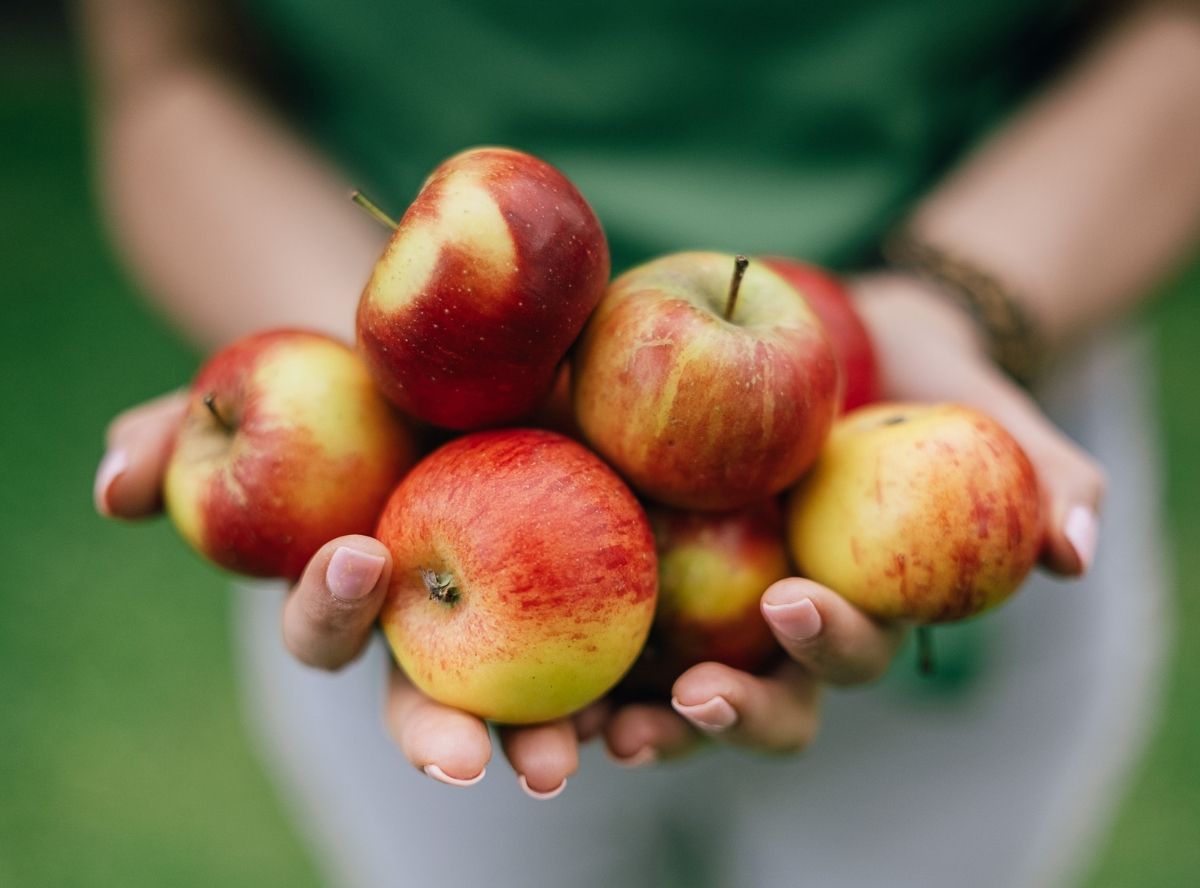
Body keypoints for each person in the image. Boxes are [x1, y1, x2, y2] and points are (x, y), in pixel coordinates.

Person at [83, 0, 1200, 885]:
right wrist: (359, 371)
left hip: (934, 404)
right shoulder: (389, 454)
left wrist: (954, 308)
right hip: (400, 519)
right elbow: (171, 72)